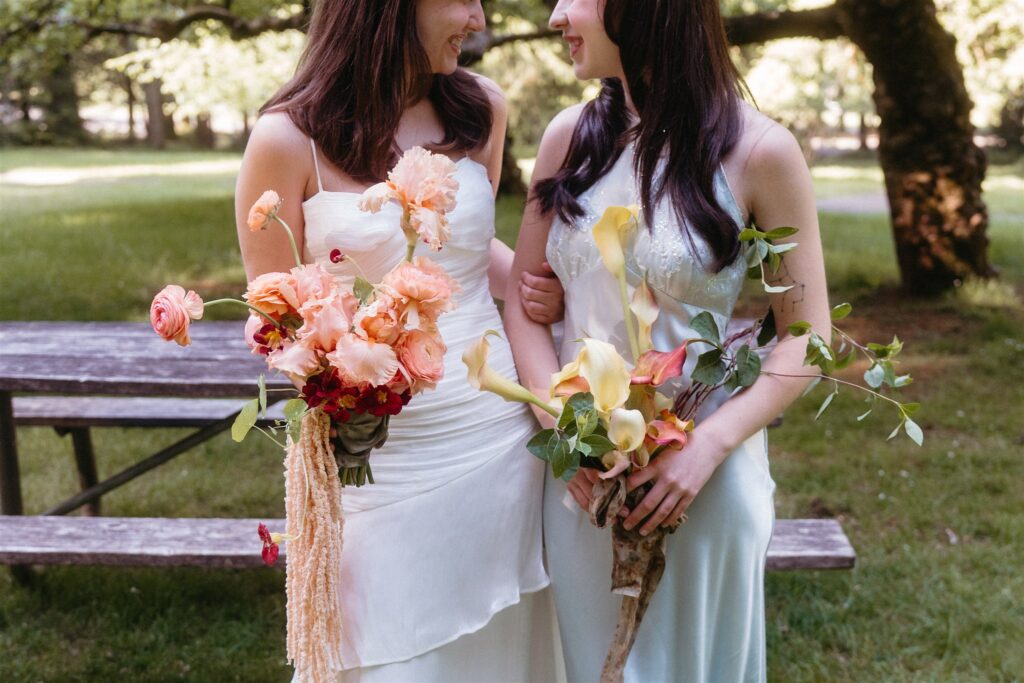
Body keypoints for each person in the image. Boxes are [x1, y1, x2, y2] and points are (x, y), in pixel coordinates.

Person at [235, 1, 563, 680]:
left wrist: (534, 284)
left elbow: (466, 249)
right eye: (462, 0)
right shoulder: (285, 138)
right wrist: (336, 378)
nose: (476, 19)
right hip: (379, 460)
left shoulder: (482, 110)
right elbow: (274, 315)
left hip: (496, 439)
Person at [506, 0, 832, 681]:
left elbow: (807, 338)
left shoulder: (760, 151)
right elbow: (524, 305)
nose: (558, 15)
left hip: (703, 481)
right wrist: (563, 433)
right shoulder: (567, 138)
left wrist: (706, 448)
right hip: (583, 483)